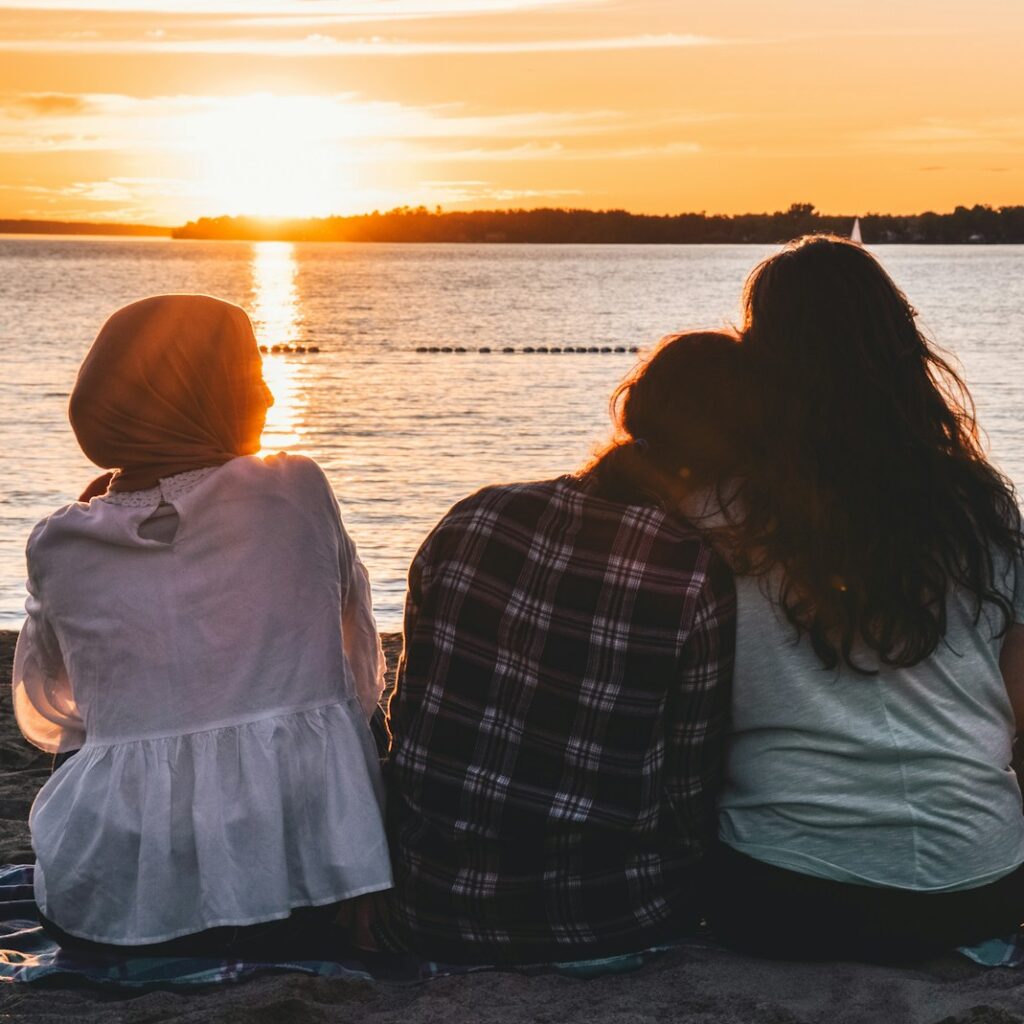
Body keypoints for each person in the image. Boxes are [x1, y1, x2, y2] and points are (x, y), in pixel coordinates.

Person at [12, 294, 393, 956]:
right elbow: (355, 667)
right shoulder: (294, 490)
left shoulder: (59, 543)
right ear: (198, 398)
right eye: (250, 378)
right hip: (305, 881)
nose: (271, 398)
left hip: (115, 896)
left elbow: (54, 705)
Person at [702, 235, 1024, 961]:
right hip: (976, 889)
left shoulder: (722, 509)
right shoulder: (985, 508)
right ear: (903, 350)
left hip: (783, 892)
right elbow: (1016, 704)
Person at [386, 330, 743, 964]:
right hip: (606, 915)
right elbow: (690, 788)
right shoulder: (694, 576)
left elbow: (410, 712)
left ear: (633, 409)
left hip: (431, 901)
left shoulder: (472, 517)